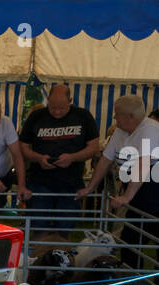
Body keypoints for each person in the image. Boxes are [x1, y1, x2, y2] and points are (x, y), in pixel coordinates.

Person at [75, 95, 159, 272]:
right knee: (130, 238)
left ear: (131, 116)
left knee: (146, 235)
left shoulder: (150, 130)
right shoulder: (121, 130)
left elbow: (144, 165)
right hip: (139, 190)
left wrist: (127, 196)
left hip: (153, 188)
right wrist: (90, 187)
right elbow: (106, 159)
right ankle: (130, 279)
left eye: (117, 114)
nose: (114, 118)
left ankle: (144, 283)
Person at [19, 84, 101, 233]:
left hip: (71, 183)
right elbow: (23, 147)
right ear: (48, 99)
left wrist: (73, 158)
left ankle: (61, 253)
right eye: (52, 107)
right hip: (40, 182)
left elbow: (94, 148)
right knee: (37, 226)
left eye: (61, 108)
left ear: (70, 101)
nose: (56, 112)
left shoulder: (83, 116)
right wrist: (38, 158)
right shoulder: (36, 116)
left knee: (65, 226)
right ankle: (39, 254)